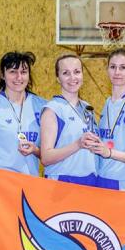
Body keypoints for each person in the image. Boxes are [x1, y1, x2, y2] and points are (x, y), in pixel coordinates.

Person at [0, 51, 46, 175]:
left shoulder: (43, 107)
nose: (19, 77)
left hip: (31, 183)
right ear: (2, 75)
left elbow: (50, 156)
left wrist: (35, 150)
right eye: (13, 72)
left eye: (23, 72)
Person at [90, 48, 125, 191]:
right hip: (102, 179)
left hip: (124, 183)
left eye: (123, 67)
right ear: (107, 69)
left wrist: (110, 153)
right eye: (113, 67)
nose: (117, 72)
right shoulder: (108, 102)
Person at [40, 54, 99, 186]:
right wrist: (78, 144)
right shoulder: (52, 110)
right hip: (63, 181)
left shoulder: (87, 108)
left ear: (82, 75)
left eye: (77, 72)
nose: (72, 77)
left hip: (89, 180)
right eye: (66, 73)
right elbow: (46, 158)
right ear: (58, 78)